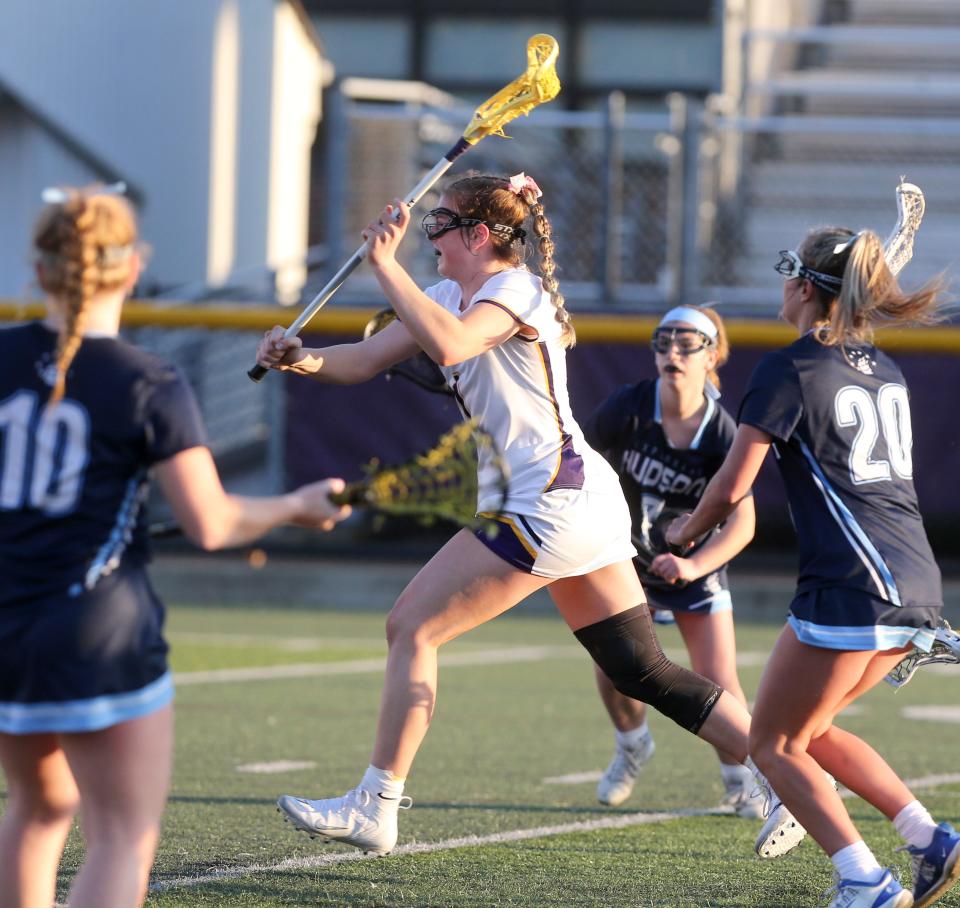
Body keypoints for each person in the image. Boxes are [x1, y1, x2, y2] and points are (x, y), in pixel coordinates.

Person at [255, 172, 791, 857]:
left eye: (439, 227)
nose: (430, 241)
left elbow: (450, 345)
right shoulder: (451, 294)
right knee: (642, 669)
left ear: (478, 236)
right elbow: (362, 361)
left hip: (548, 501)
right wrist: (299, 359)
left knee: (411, 627)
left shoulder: (513, 290)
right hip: (578, 501)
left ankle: (376, 803)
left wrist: (384, 265)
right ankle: (789, 780)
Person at [0, 186, 350, 908]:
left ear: (39, 270)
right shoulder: (147, 380)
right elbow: (212, 524)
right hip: (97, 633)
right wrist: (293, 506)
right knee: (123, 838)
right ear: (132, 271)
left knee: (37, 810)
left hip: (5, 624)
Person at [665, 229, 960, 908]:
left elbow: (732, 487)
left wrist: (685, 532)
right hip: (914, 579)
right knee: (811, 730)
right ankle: (929, 839)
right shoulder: (885, 367)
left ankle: (864, 881)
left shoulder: (790, 368)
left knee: (770, 743)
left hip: (853, 582)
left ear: (801, 286)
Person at [583, 304, 763, 817]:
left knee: (719, 680)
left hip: (693, 565)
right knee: (615, 663)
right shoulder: (630, 406)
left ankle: (738, 776)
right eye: (664, 342)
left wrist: (692, 565)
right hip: (628, 558)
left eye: (688, 344)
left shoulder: (722, 432)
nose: (673, 353)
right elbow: (582, 465)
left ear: (713, 357)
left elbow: (744, 523)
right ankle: (632, 745)